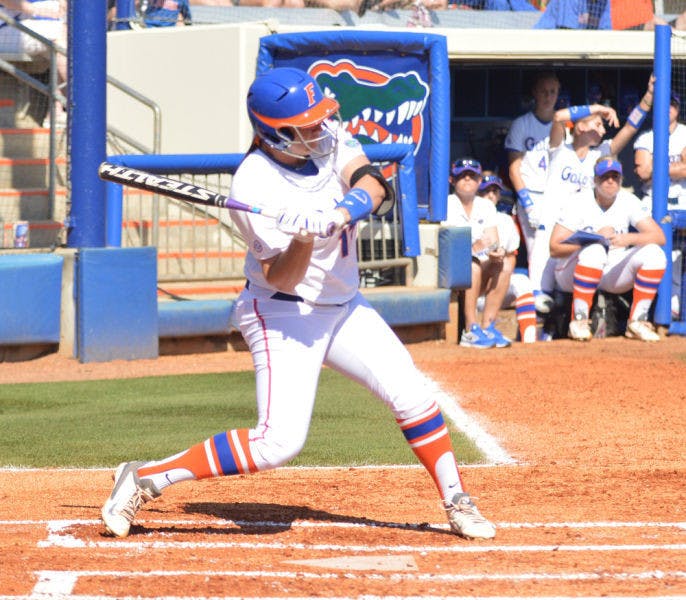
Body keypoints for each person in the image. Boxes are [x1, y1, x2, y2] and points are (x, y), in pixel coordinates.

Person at [100, 67, 496, 541]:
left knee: (410, 393)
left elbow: (373, 184)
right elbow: (279, 274)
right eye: (306, 125)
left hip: (344, 304)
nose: (320, 128)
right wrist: (303, 239)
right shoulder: (252, 185)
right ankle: (146, 478)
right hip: (282, 310)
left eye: (319, 118)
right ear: (275, 134)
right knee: (277, 443)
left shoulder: (328, 138)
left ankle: (456, 499)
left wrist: (338, 213)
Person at [532, 74, 655, 302]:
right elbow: (559, 116)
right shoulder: (560, 148)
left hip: (581, 234)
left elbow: (629, 127)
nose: (602, 129)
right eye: (597, 124)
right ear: (579, 127)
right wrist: (597, 107)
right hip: (550, 229)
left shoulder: (602, 153)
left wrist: (647, 97)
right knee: (539, 298)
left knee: (564, 294)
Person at [548, 157, 666, 342]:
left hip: (610, 271)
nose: (610, 181)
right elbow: (554, 248)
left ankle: (637, 322)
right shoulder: (578, 201)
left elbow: (659, 237)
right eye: (605, 177)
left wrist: (629, 238)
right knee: (594, 250)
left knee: (655, 253)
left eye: (615, 177)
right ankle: (578, 321)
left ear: (621, 180)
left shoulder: (628, 200)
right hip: (571, 271)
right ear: (595, 180)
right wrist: (593, 238)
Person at [504, 70, 560, 312]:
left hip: (555, 195)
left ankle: (550, 293)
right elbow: (514, 167)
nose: (548, 96)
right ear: (535, 93)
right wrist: (526, 202)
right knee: (538, 246)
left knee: (555, 245)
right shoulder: (522, 124)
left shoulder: (561, 126)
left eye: (553, 92)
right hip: (531, 195)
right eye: (544, 91)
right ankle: (537, 294)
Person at [441, 158, 511, 349]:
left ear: (479, 181)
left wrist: (496, 252)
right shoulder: (445, 203)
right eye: (462, 176)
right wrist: (476, 247)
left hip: (480, 264)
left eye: (472, 176)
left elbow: (492, 241)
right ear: (452, 180)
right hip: (451, 269)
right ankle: (470, 329)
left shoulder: (486, 206)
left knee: (504, 264)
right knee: (472, 265)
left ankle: (487, 326)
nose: (467, 180)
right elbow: (449, 246)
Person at [634, 91, 686, 319]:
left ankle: (672, 308)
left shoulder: (685, 133)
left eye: (673, 105)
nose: (668, 109)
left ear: (678, 109)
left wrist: (657, 166)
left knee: (675, 253)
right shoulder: (646, 137)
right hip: (651, 202)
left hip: (682, 200)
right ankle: (645, 309)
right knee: (651, 249)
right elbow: (643, 171)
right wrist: (676, 166)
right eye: (665, 104)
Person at [478, 173, 538, 343]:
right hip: (472, 294)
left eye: (494, 191)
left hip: (495, 291)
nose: (490, 195)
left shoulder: (505, 221)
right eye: (485, 191)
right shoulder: (469, 216)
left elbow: (510, 261)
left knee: (522, 281)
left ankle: (529, 341)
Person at [0, 1, 68, 123]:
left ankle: (56, 112)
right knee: (59, 33)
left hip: (20, 25)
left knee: (61, 47)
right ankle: (83, 101)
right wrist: (37, 10)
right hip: (4, 29)